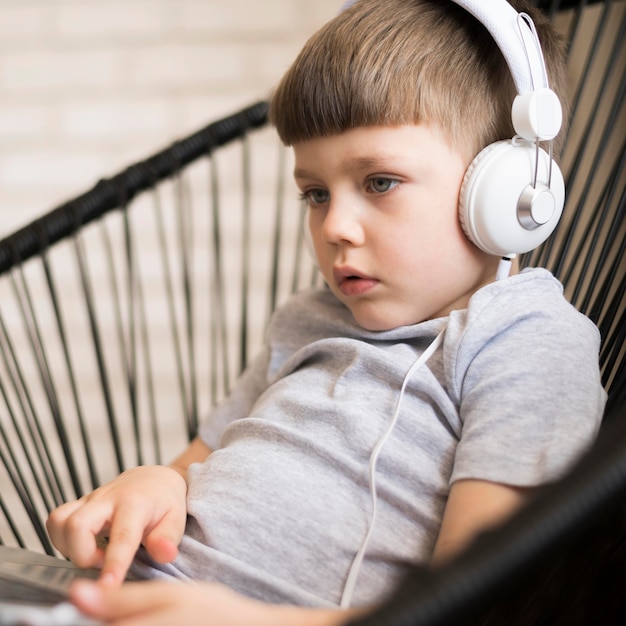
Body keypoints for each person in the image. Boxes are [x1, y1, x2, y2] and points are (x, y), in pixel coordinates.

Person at [46, 0, 607, 624]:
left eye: (379, 182)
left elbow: (483, 603)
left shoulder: (523, 341)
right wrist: (157, 484)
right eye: (315, 193)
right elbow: (191, 469)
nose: (334, 226)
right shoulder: (307, 319)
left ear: (507, 193)